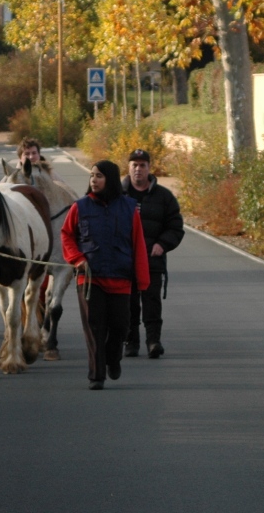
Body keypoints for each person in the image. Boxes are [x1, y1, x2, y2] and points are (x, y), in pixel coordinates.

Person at [61, 160, 150, 390]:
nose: (94, 180)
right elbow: (67, 235)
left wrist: (142, 280)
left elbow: (138, 243)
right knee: (94, 328)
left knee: (121, 327)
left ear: (109, 179)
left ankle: (113, 358)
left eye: (99, 176)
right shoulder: (79, 207)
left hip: (121, 278)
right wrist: (77, 259)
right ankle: (96, 375)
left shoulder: (129, 208)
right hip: (90, 279)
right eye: (92, 175)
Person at [122, 148, 185, 359]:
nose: (138, 169)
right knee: (128, 302)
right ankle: (130, 342)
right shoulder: (118, 195)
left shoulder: (163, 196)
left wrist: (162, 244)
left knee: (151, 302)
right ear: (128, 168)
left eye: (142, 165)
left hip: (152, 259)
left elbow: (175, 226)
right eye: (134, 165)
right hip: (124, 259)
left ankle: (153, 341)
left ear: (149, 168)